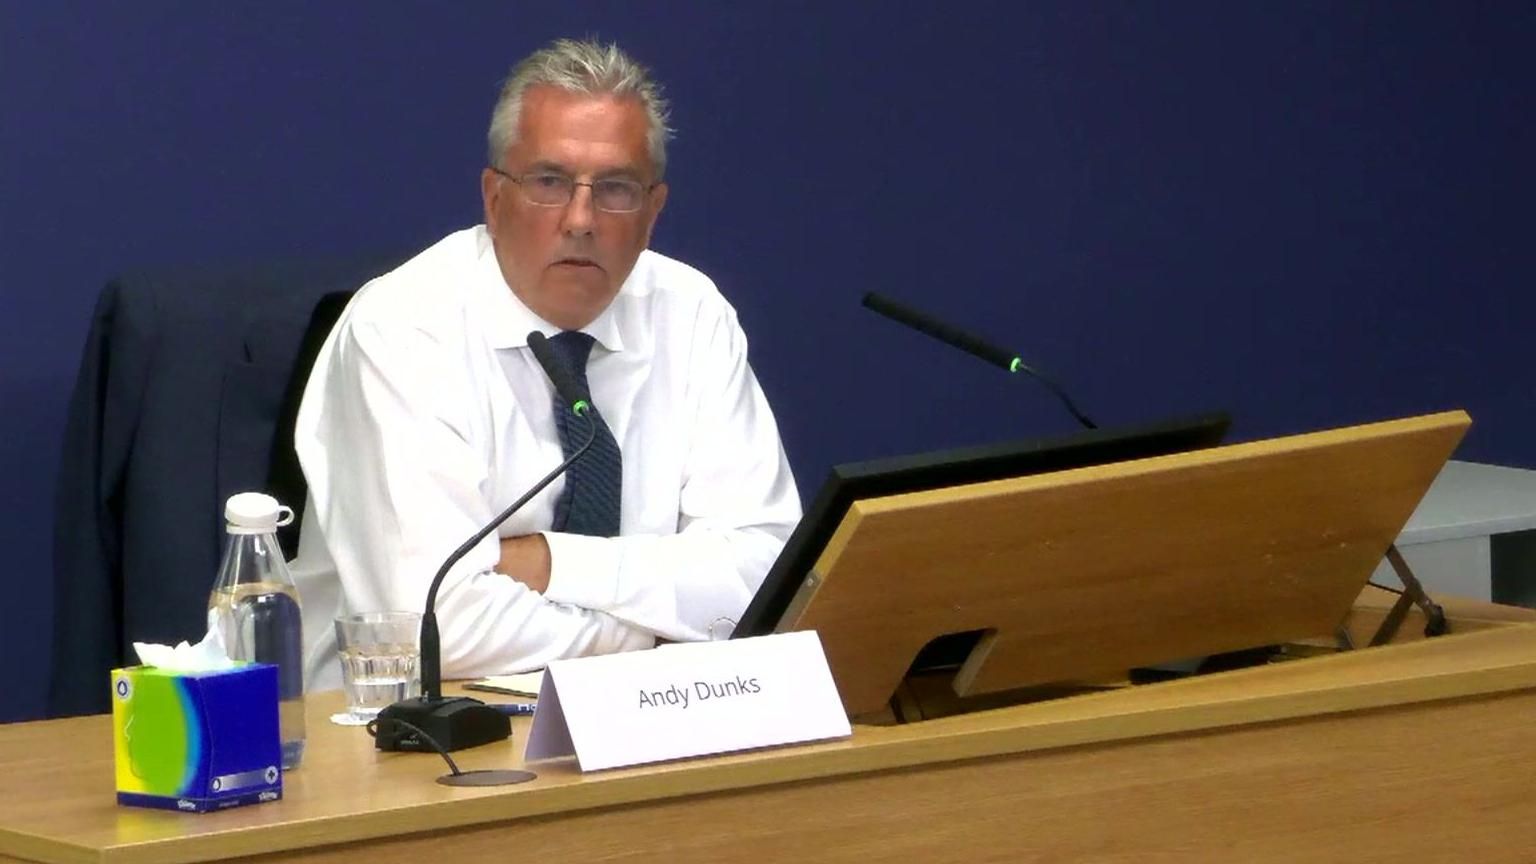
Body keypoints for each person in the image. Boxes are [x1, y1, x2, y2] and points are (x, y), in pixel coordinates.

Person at [290, 38, 801, 691]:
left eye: (615, 188)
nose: (580, 219)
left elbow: (768, 576)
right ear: (494, 198)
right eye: (550, 183)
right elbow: (436, 627)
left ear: (654, 211)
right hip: (396, 731)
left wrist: (551, 562)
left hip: (654, 719)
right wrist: (655, 638)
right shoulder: (402, 330)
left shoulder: (691, 314)